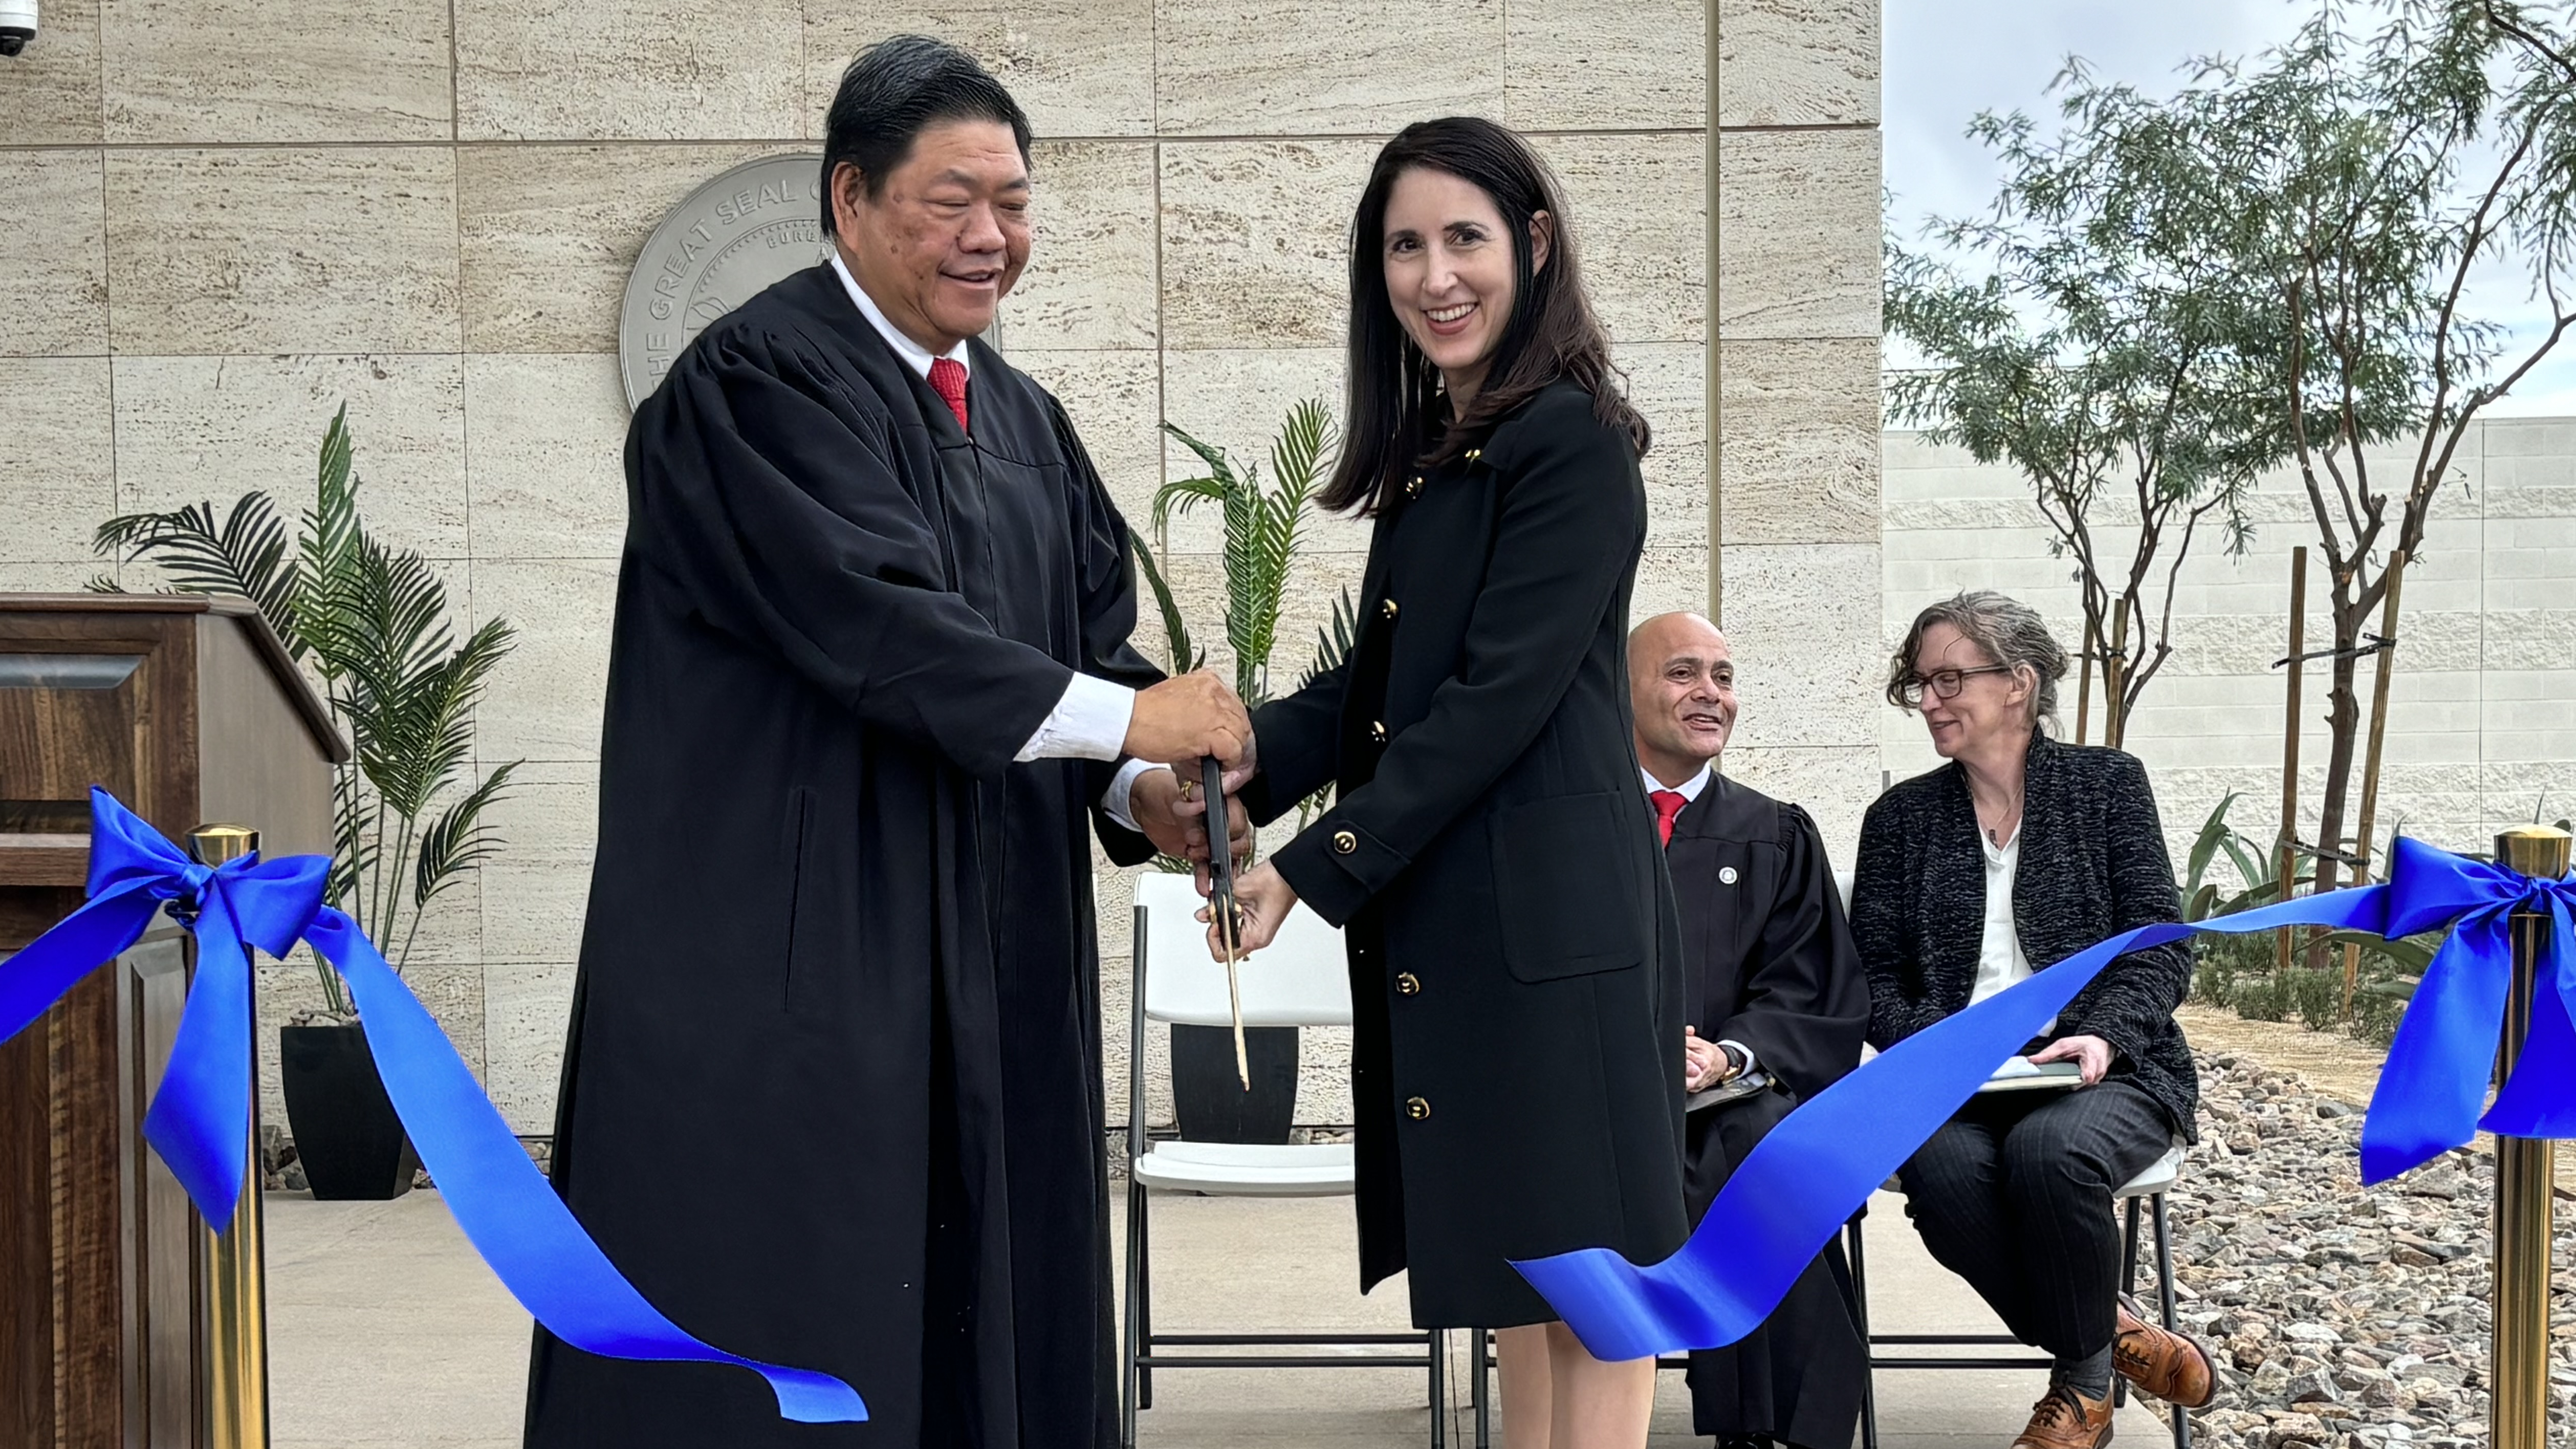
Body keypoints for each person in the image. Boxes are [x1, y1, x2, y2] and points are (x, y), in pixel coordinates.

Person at [525, 37, 1253, 1448]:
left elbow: (1089, 642)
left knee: (996, 1317)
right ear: (849, 199)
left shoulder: (1026, 420)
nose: (992, 237)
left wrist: (1140, 778)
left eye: (1017, 202)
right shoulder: (750, 385)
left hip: (998, 958)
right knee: (806, 1316)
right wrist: (1131, 717)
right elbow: (882, 630)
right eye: (950, 201)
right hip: (799, 960)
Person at [1205, 116, 1684, 1449]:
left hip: (1560, 940)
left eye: (1463, 236)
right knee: (1525, 1277)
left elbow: (1495, 704)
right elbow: (1377, 697)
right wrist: (1241, 759)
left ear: (1532, 243)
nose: (1434, 274)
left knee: (1593, 1284)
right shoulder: (1444, 458)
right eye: (1404, 245)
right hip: (1477, 930)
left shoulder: (1572, 443)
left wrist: (1301, 868)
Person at [1850, 591, 2219, 1449]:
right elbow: (1872, 978)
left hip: (2106, 1067)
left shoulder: (2105, 786)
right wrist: (1939, 1049)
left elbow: (2160, 944)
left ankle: (2081, 1387)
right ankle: (2113, 1333)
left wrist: (2102, 1032)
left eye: (1948, 678)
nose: (1930, 700)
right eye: (1919, 684)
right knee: (1937, 1176)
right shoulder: (1898, 819)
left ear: (2017, 683)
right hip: (1956, 1080)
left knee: (2048, 1154)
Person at [1628, 611, 1868, 1449]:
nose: (1709, 694)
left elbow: (1812, 990)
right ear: (1621, 691)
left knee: (1764, 1146)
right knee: (1753, 1160)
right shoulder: (1567, 830)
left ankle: (1781, 1432)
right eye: (1682, 673)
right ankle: (1782, 1430)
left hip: (1729, 1097)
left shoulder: (1773, 833)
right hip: (1597, 1104)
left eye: (1723, 677)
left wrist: (1725, 1054)